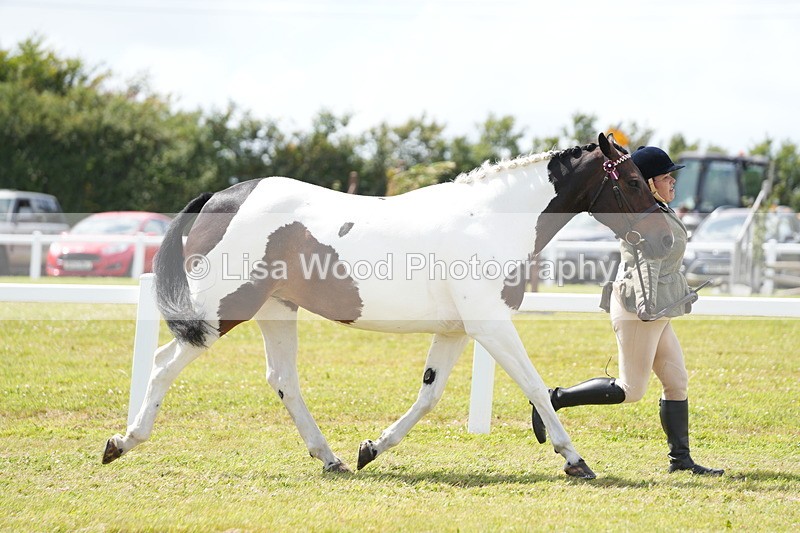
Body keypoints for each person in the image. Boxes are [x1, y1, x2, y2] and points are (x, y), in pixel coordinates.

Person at [531, 146, 724, 476]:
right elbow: (646, 263)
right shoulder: (642, 218)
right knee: (631, 390)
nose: (673, 182)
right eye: (666, 177)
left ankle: (681, 460)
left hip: (658, 307)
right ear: (648, 184)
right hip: (640, 306)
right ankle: (553, 398)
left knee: (676, 382)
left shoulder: (661, 210)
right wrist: (650, 304)